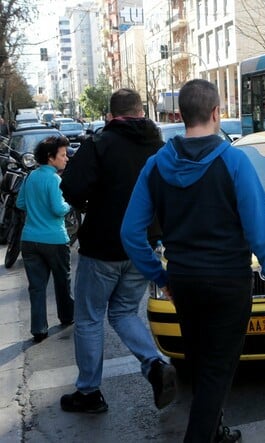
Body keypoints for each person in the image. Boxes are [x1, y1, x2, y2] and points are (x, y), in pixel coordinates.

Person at [121, 79, 265, 443]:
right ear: (216, 113)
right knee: (217, 371)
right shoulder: (234, 161)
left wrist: (160, 274)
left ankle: (213, 433)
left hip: (183, 280)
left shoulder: (156, 165)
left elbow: (131, 233)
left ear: (180, 114)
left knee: (201, 364)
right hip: (228, 281)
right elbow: (261, 232)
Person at [59, 89, 176, 414]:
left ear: (111, 116)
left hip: (103, 247)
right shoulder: (158, 145)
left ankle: (89, 392)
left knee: (90, 318)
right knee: (124, 312)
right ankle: (154, 364)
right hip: (144, 247)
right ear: (141, 112)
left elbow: (70, 185)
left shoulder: (100, 144)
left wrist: (90, 200)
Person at [16, 135, 73, 343]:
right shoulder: (55, 179)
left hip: (29, 239)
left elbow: (20, 203)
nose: (66, 159)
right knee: (62, 281)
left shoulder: (30, 177)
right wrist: (70, 204)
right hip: (55, 239)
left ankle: (39, 328)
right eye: (63, 155)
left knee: (37, 286)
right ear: (51, 158)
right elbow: (59, 209)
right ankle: (67, 316)